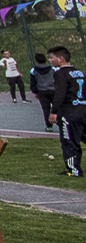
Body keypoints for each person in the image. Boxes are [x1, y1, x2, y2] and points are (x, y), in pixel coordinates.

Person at [48, 47, 85, 177]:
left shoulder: (60, 73)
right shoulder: (79, 72)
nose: (50, 60)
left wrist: (54, 112)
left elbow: (60, 93)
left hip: (70, 112)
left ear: (61, 59)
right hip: (83, 109)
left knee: (69, 140)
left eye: (52, 58)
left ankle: (74, 170)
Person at [30, 53, 57, 131]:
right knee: (57, 107)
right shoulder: (53, 69)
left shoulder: (33, 70)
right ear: (45, 60)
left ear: (36, 60)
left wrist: (35, 92)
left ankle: (49, 126)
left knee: (46, 109)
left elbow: (33, 83)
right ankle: (61, 123)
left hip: (42, 91)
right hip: (53, 89)